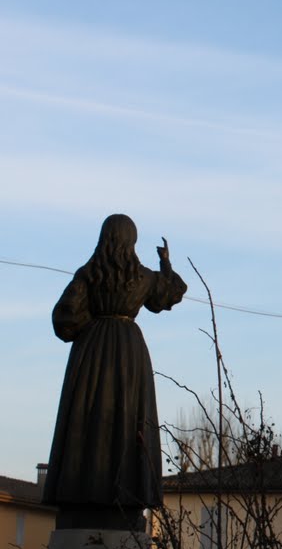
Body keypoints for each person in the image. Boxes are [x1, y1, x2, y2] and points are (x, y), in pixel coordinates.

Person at [43, 214, 187, 531]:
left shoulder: (89, 275)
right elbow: (171, 293)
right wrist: (165, 263)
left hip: (91, 351)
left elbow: (64, 318)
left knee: (87, 416)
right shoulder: (143, 277)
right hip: (128, 351)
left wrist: (86, 325)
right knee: (125, 419)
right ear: (131, 241)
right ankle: (125, 493)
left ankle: (80, 490)